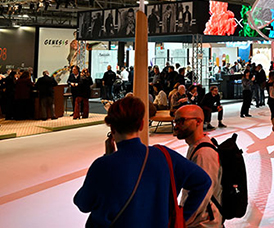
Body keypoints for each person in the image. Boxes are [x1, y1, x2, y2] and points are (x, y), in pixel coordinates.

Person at [74, 96, 211, 227]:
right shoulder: (164, 156)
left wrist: (108, 156)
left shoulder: (103, 166)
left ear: (112, 128)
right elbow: (203, 181)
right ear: (141, 125)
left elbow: (83, 204)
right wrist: (181, 218)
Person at [174, 104, 223, 228]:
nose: (176, 126)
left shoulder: (203, 154)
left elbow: (203, 196)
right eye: (175, 121)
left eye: (181, 121)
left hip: (203, 223)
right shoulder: (195, 146)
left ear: (198, 121)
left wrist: (182, 220)